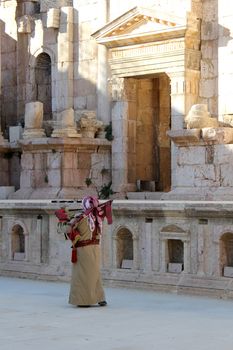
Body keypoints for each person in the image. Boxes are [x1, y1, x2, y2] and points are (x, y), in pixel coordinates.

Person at [55, 196, 112, 307]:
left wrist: (62, 219)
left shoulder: (81, 217)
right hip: (95, 248)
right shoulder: (97, 215)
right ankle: (100, 298)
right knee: (94, 274)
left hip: (84, 250)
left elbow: (66, 228)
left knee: (83, 275)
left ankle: (84, 301)